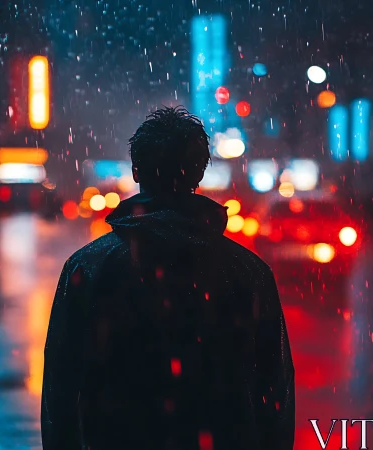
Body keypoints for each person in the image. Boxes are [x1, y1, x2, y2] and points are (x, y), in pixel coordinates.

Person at [42, 107, 295, 450]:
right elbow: (274, 389)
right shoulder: (249, 272)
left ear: (136, 170)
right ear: (199, 173)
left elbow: (62, 388)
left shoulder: (88, 268)